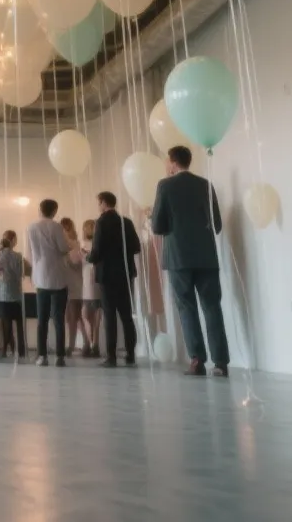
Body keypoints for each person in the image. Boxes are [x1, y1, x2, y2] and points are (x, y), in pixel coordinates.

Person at [152, 145, 230, 377]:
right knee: (212, 307)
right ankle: (221, 362)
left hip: (178, 256)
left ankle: (197, 360)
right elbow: (217, 224)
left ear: (172, 162)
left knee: (186, 307)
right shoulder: (206, 184)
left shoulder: (164, 186)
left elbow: (157, 226)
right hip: (206, 256)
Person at [86, 191, 142, 366]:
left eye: (99, 203)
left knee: (109, 316)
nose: (98, 206)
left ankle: (111, 356)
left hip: (107, 275)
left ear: (103, 203)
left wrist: (88, 257)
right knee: (127, 315)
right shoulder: (126, 222)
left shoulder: (101, 222)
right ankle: (131, 354)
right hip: (125, 273)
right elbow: (136, 247)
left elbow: (96, 251)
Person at [25, 199, 70, 367]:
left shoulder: (31, 227)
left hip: (40, 277)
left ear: (40, 209)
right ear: (54, 211)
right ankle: (59, 356)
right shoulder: (56, 226)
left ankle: (42, 356)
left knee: (41, 319)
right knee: (58, 319)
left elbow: (29, 254)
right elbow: (63, 248)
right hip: (58, 277)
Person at [0, 230, 27, 359]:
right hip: (15, 294)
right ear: (13, 240)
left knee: (5, 323)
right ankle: (21, 350)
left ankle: (4, 350)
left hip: (2, 295)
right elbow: (21, 274)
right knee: (19, 323)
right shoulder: (18, 256)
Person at [60, 218, 87, 358]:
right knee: (76, 317)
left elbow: (75, 264)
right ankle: (86, 343)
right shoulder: (69, 245)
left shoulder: (74, 245)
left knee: (72, 318)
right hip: (70, 285)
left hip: (74, 286)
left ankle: (70, 346)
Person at [79, 218, 102, 358]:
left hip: (87, 282)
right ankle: (95, 344)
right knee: (97, 315)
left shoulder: (82, 245)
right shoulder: (99, 244)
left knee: (85, 315)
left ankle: (91, 343)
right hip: (98, 282)